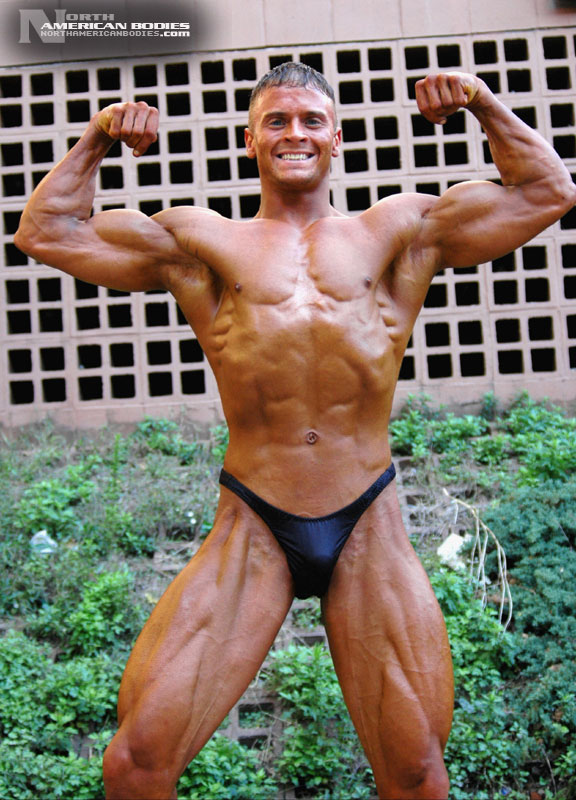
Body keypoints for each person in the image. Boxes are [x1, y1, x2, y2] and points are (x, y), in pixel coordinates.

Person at [14, 61, 575, 800]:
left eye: (311, 120)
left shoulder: (399, 231)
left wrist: (481, 100)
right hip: (254, 518)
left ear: (336, 138)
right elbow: (45, 231)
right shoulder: (200, 241)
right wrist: (97, 137)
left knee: (416, 775)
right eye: (275, 121)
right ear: (251, 140)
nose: (294, 133)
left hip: (367, 517)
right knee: (136, 762)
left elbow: (547, 191)